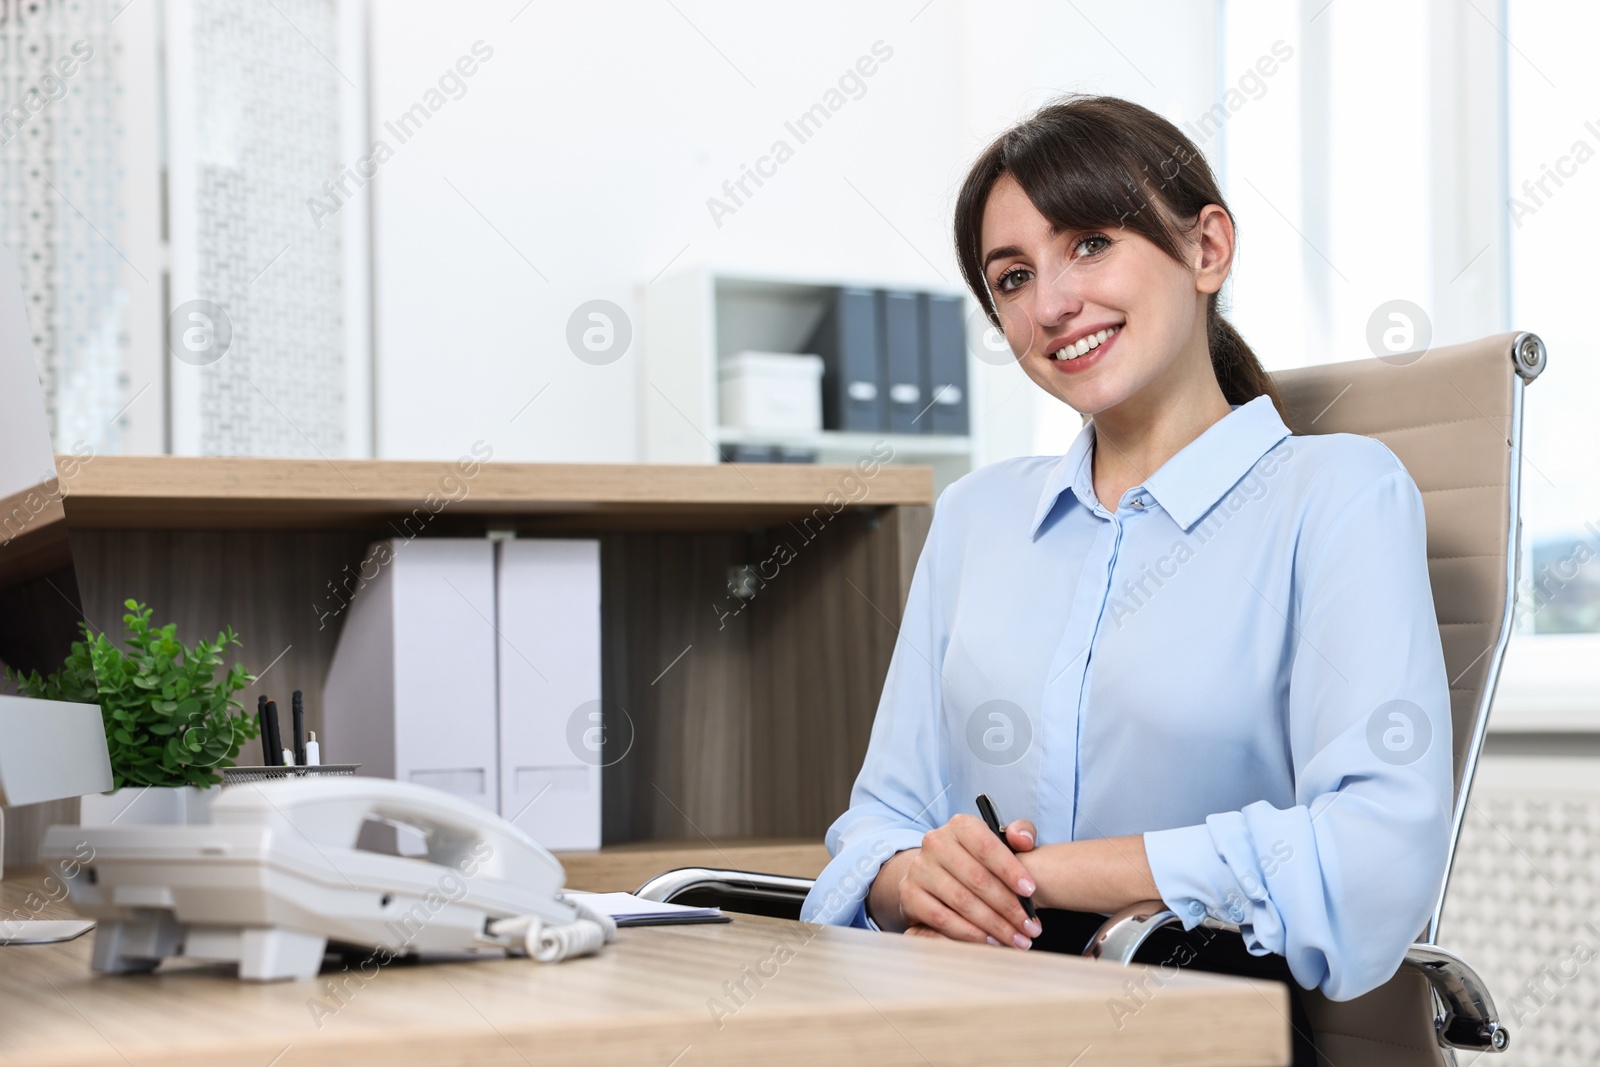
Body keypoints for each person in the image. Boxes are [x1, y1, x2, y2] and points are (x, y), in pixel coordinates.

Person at [799, 95, 1454, 1060]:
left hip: (1198, 1031)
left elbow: (1371, 853)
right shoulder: (978, 518)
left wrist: (1044, 877)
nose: (1052, 303)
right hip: (964, 1017)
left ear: (1208, 250)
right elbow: (878, 822)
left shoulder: (1338, 496)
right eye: (1013, 276)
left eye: (1091, 244)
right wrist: (912, 877)